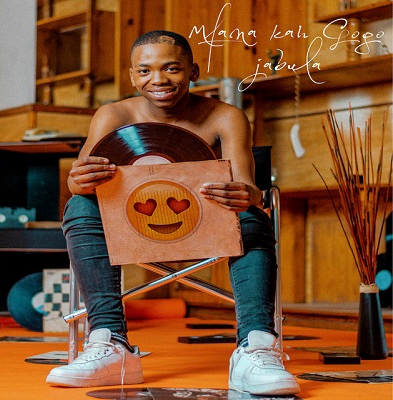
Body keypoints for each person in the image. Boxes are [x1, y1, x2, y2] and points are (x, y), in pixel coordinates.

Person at [46, 30, 300, 396]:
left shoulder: (226, 116)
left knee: (251, 216)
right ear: (132, 76)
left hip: (207, 228)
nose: (158, 79)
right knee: (80, 205)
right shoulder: (113, 114)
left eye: (171, 68)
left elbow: (248, 189)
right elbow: (78, 184)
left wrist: (250, 194)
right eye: (145, 70)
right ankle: (110, 343)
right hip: (132, 227)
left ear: (193, 71)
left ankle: (255, 348)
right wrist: (79, 179)